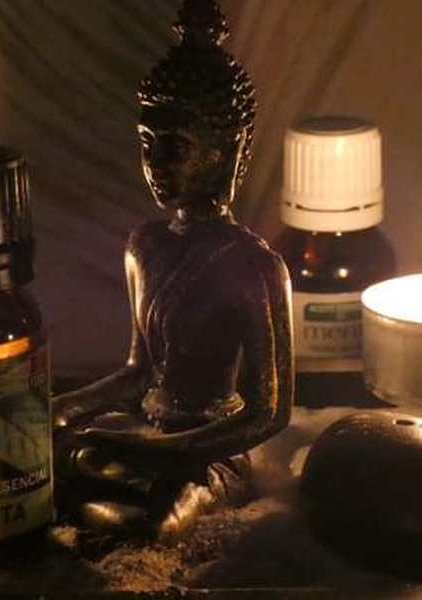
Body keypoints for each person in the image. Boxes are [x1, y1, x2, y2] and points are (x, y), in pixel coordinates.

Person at [52, 0, 293, 543]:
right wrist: (61, 407)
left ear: (226, 149)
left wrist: (162, 449)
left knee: (157, 521)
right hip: (146, 428)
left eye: (175, 146)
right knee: (58, 459)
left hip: (210, 449)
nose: (156, 163)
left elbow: (269, 414)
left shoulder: (256, 267)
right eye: (147, 143)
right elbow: (139, 371)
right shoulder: (146, 244)